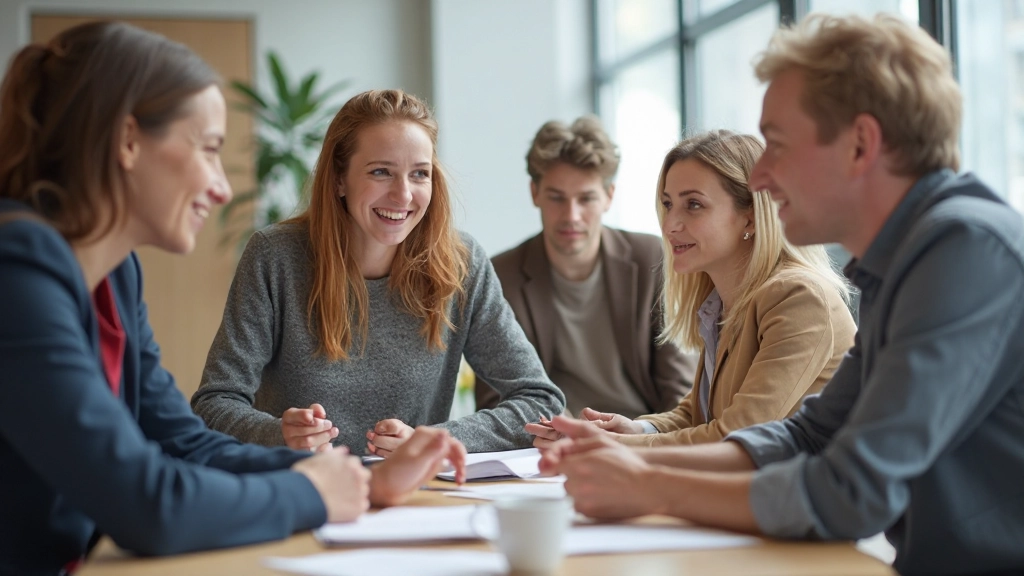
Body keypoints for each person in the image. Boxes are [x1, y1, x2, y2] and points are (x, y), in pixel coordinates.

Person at [539, 13, 1024, 576]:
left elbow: (851, 490)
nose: (763, 175)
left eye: (777, 144)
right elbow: (811, 433)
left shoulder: (964, 249)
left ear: (860, 145)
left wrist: (651, 486)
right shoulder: (906, 264)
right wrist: (633, 463)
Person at [0, 22, 467, 575]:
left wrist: (355, 480)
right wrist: (314, 496)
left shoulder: (115, 274)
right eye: (208, 150)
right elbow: (146, 503)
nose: (221, 187)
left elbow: (183, 443)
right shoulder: (17, 268)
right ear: (128, 141)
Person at [191, 89, 565, 457]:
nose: (403, 195)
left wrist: (435, 440)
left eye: (419, 174)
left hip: (414, 497)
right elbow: (213, 404)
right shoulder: (275, 257)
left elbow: (540, 401)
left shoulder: (461, 263)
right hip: (304, 491)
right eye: (381, 172)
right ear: (339, 179)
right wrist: (278, 434)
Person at [528, 130, 854, 448]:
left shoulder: (799, 298)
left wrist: (614, 444)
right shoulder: (723, 303)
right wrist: (635, 429)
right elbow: (699, 414)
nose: (670, 224)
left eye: (694, 205)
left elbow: (737, 436)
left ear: (751, 218)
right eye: (668, 204)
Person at [476, 116, 696, 419]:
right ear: (534, 193)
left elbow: (680, 388)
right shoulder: (501, 275)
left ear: (609, 196)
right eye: (556, 198)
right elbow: (496, 397)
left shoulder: (653, 259)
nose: (572, 215)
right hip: (552, 444)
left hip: (643, 438)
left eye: (586, 198)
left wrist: (645, 440)